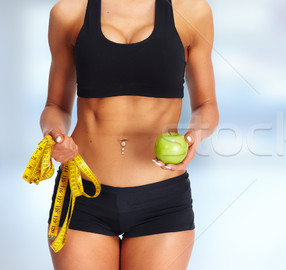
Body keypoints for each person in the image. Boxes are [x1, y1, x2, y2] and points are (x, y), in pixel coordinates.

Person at [40, 0, 218, 269]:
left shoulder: (192, 11)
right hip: (82, 193)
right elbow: (56, 106)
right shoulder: (68, 12)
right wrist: (54, 136)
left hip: (162, 200)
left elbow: (207, 106)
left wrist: (195, 135)